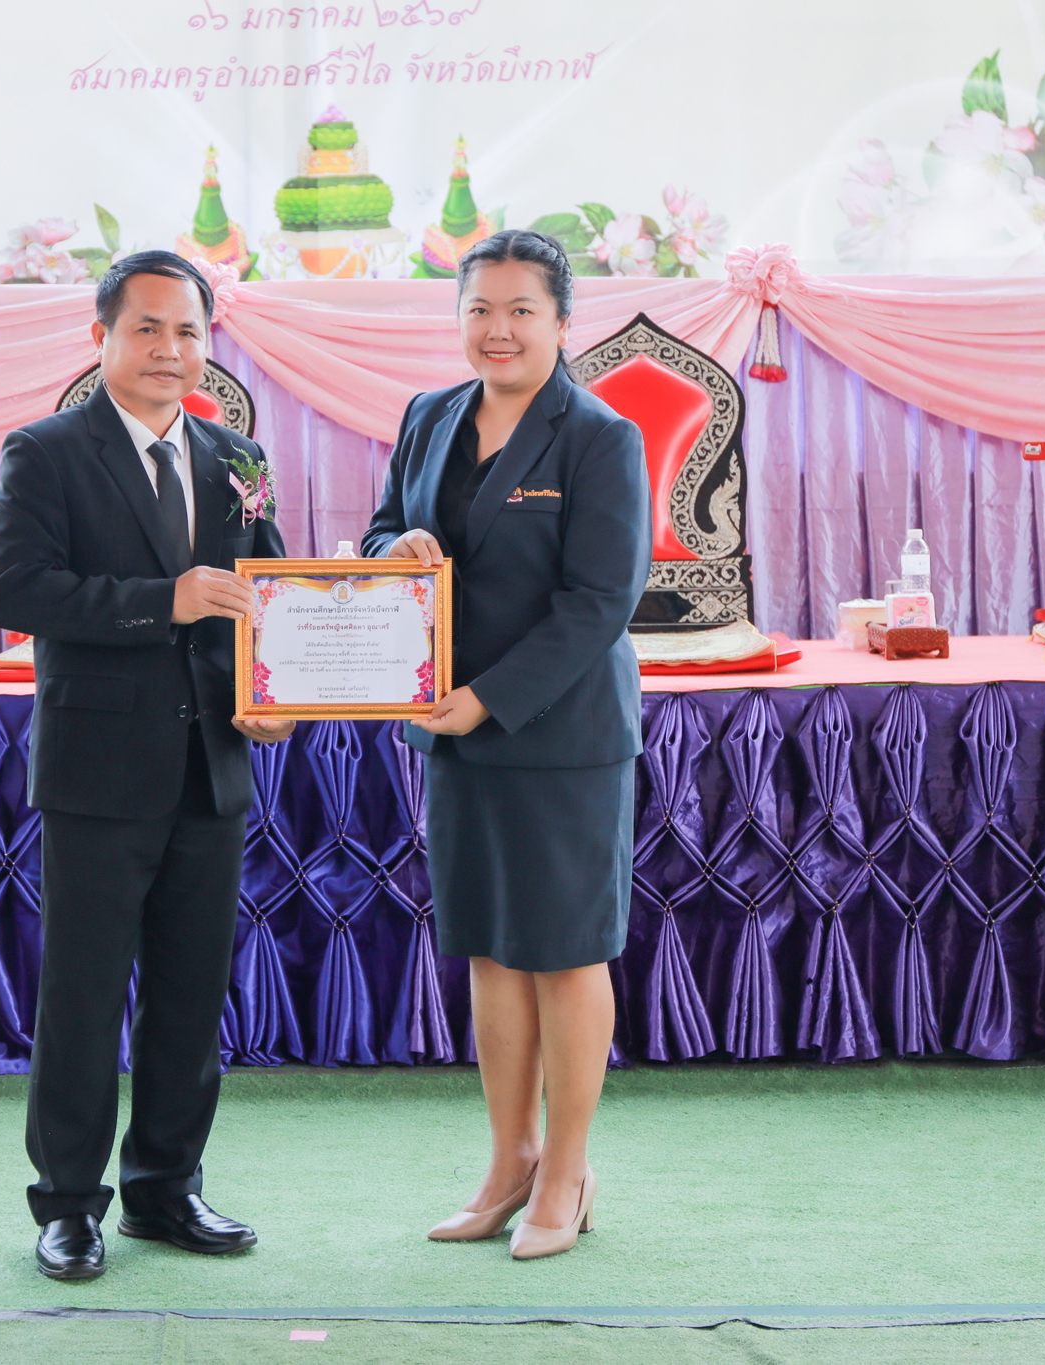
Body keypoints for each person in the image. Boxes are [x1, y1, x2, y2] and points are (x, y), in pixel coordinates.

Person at [0, 251, 294, 1282]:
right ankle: (69, 1204)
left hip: (213, 765)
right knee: (81, 997)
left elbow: (267, 592)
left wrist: (273, 693)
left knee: (191, 995)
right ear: (101, 338)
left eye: (188, 331)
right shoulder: (45, 451)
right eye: (147, 328)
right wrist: (165, 599)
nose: (170, 349)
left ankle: (165, 1188)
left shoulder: (239, 457)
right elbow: (16, 590)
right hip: (98, 770)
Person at [362, 229, 648, 1260]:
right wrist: (392, 546)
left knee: (564, 955)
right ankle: (507, 1162)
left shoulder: (600, 436)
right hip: (454, 729)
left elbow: (599, 601)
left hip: (559, 734)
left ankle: (566, 1171)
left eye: (522, 310)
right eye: (480, 309)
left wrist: (489, 698)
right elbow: (378, 532)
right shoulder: (428, 416)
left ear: (562, 322)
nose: (499, 329)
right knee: (488, 950)